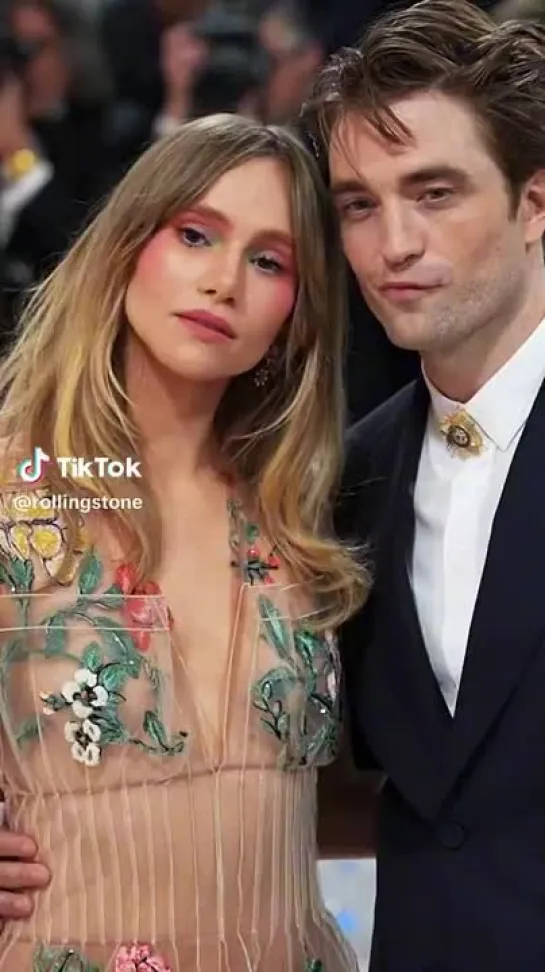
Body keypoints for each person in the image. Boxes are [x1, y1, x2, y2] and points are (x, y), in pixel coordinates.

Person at [0, 112, 367, 970]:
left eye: (268, 260)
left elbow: (345, 794)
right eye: (196, 234)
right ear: (128, 244)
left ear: (297, 309)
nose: (223, 282)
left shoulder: (301, 509)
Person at [305, 1, 545, 969]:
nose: (390, 243)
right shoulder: (346, 478)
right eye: (358, 203)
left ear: (535, 202)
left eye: (433, 192)